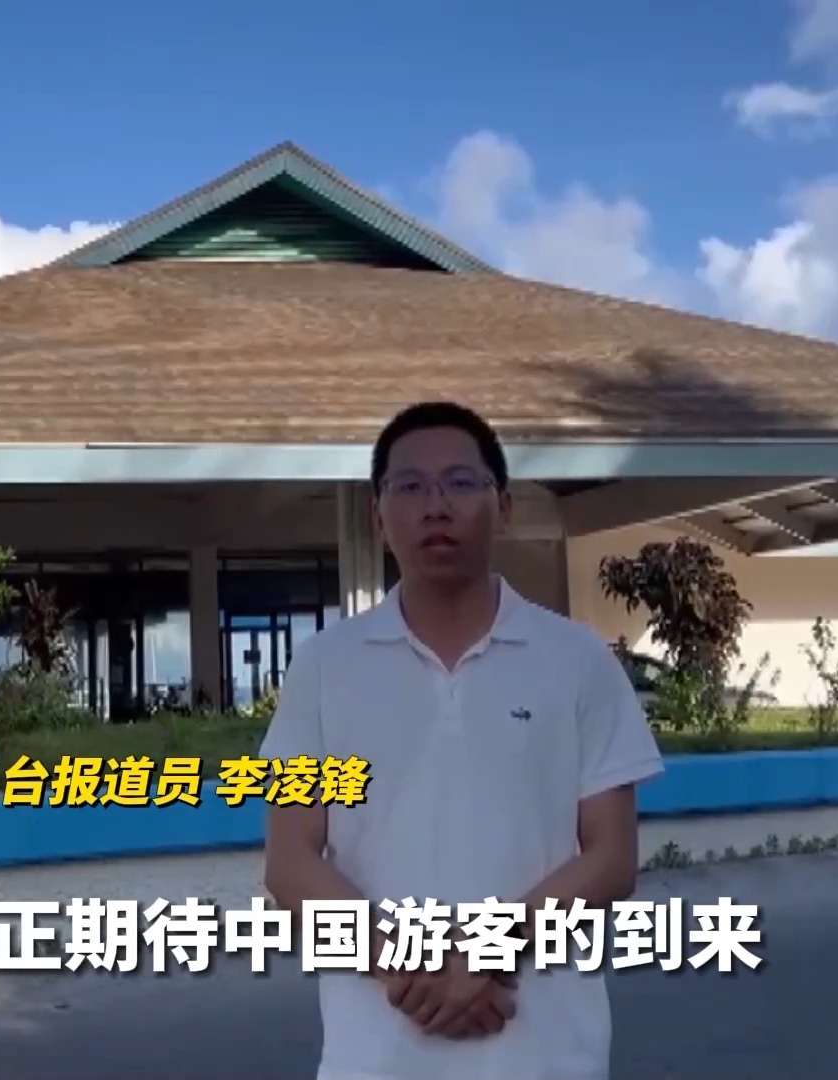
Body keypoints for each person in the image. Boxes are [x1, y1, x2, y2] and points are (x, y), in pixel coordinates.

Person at [260, 401, 665, 1080]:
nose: (435, 506)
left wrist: (485, 951)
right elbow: (291, 863)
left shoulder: (577, 660)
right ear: (377, 515)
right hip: (376, 1057)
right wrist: (409, 964)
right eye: (410, 486)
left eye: (460, 483)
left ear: (503, 507)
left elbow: (612, 857)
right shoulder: (324, 668)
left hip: (547, 1055)